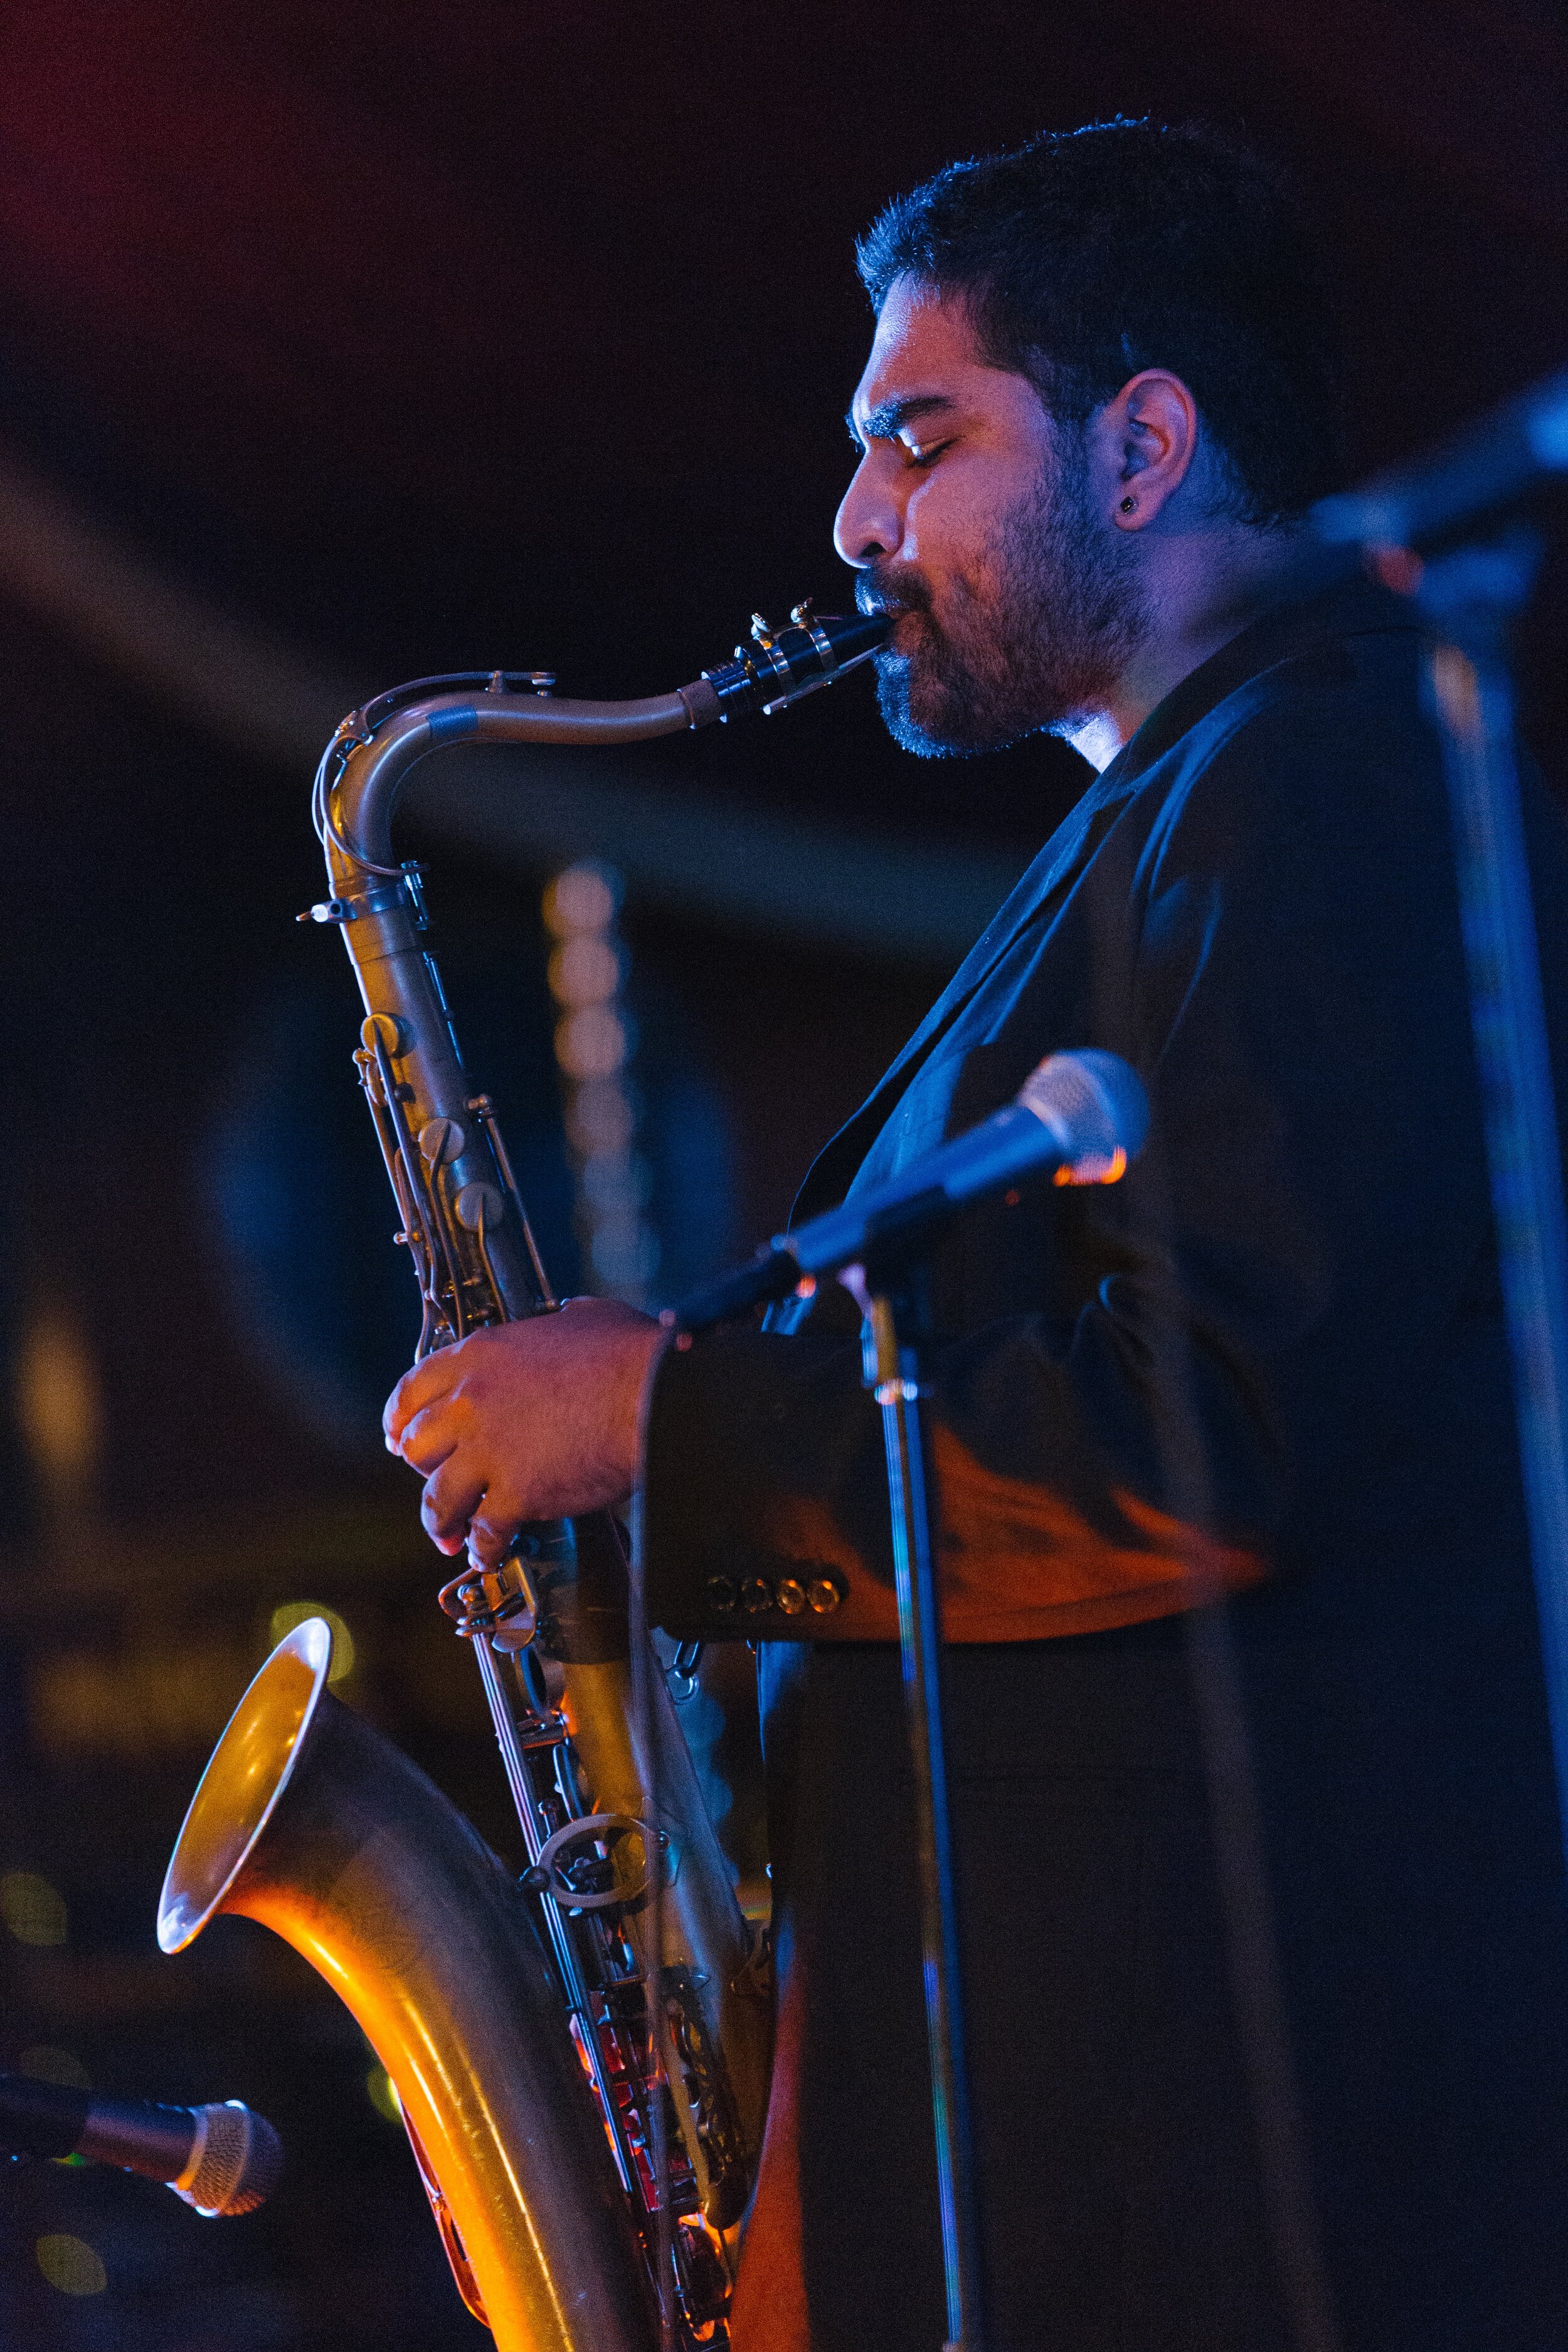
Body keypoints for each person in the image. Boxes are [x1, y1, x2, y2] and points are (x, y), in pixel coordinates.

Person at [383, 120, 1568, 2352]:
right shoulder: (1164, 824)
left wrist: (669, 1427)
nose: (851, 527)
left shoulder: (1312, 785)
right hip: (1068, 2142)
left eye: (916, 441)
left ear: (1141, 447)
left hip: (1202, 2168)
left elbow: (1210, 1427)